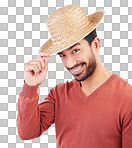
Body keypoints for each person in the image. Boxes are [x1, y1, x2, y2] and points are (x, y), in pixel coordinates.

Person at [17, 4, 132, 148]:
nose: (70, 63)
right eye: (62, 55)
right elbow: (26, 133)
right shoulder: (58, 95)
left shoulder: (127, 98)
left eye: (75, 50)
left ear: (95, 45)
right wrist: (30, 86)